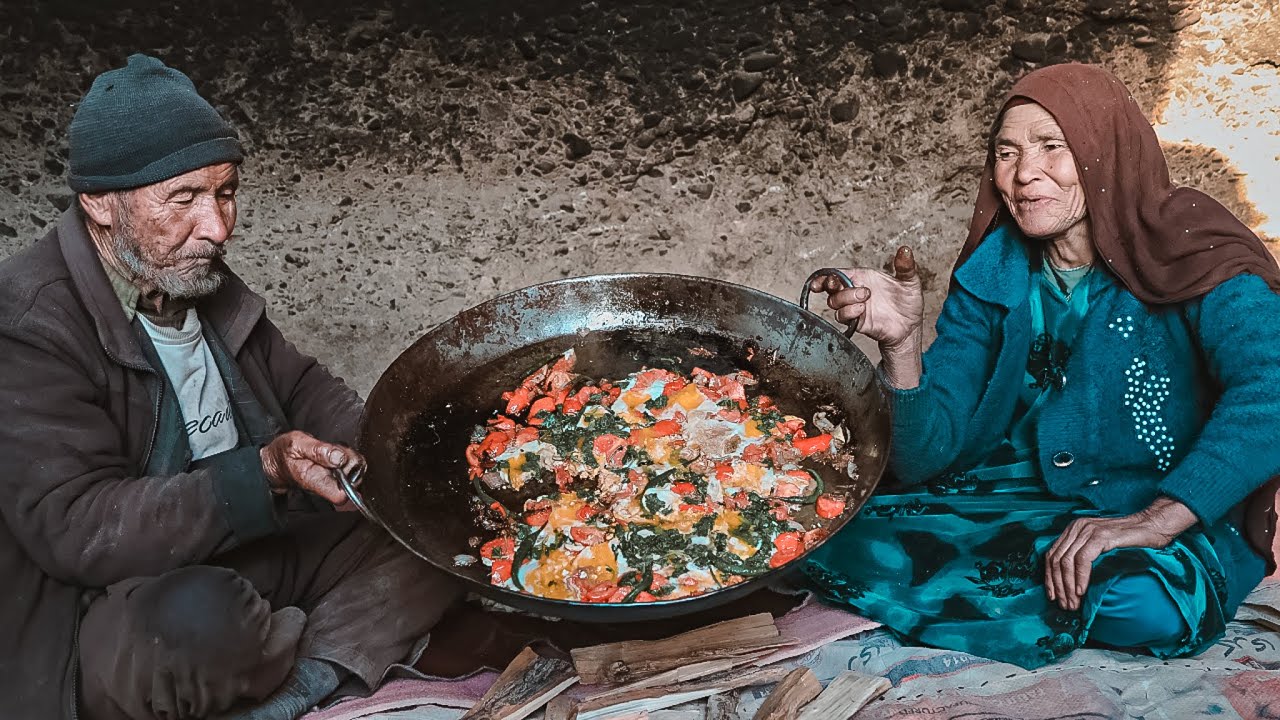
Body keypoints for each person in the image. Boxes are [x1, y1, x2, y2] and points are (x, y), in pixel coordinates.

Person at [0, 54, 461, 720]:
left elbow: (306, 389)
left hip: (248, 548)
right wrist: (265, 473)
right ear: (100, 202)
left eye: (224, 192)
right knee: (197, 630)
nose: (217, 227)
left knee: (434, 540)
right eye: (183, 199)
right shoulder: (27, 323)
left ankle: (294, 681)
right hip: (114, 603)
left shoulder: (194, 276)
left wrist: (403, 464)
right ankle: (300, 653)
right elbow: (79, 529)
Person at [803, 63, 1280, 669]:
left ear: (1104, 152)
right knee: (818, 529)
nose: (1024, 174)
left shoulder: (1191, 248)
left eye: (1052, 148)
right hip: (1007, 498)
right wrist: (900, 347)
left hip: (1156, 498)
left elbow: (1273, 386)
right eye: (1006, 153)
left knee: (1143, 603)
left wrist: (1160, 520)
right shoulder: (994, 270)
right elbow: (925, 456)